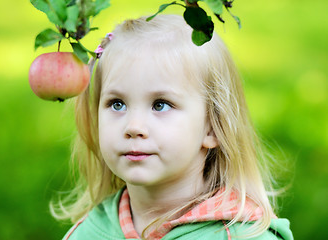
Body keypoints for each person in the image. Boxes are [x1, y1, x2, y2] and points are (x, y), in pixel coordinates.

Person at [52, 15, 293, 239]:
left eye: (160, 105)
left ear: (212, 128)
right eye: (117, 104)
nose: (133, 127)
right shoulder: (87, 234)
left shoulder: (245, 235)